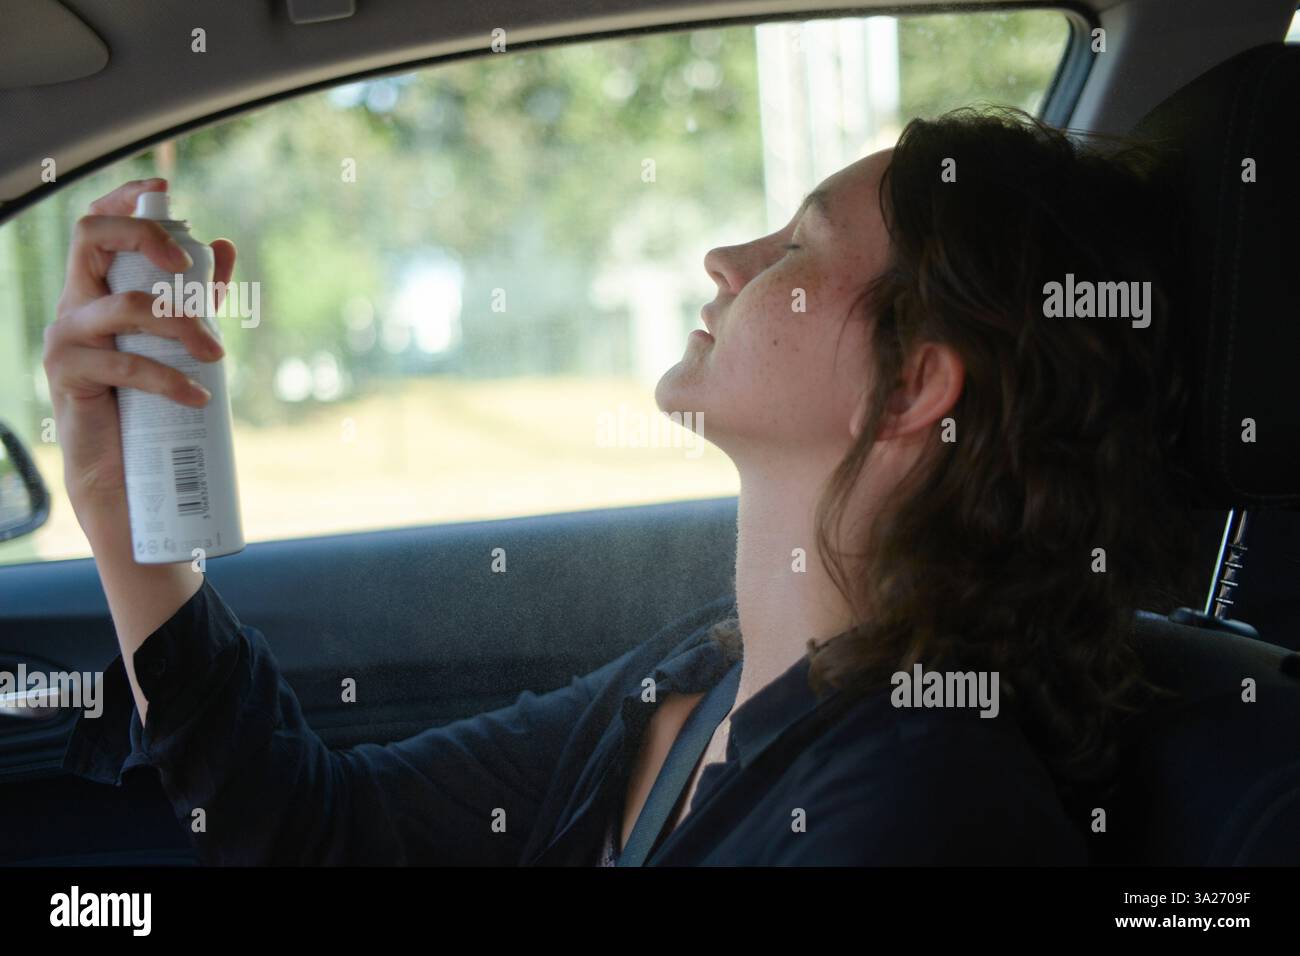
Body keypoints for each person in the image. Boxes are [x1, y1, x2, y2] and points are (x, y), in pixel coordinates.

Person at [47, 106, 1197, 865]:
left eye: (795, 246)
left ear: (906, 389)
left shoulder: (917, 810)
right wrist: (126, 515)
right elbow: (317, 831)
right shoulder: (695, 682)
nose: (726, 261)